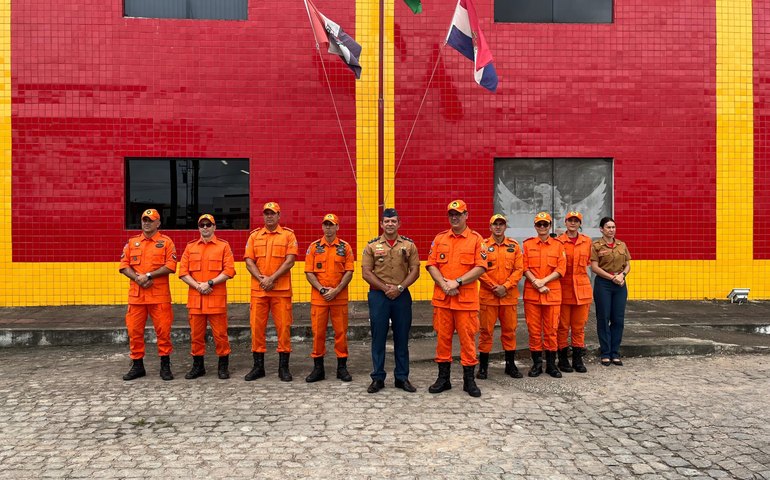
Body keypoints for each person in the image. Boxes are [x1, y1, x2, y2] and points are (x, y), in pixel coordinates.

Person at [425, 200, 487, 397]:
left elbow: (480, 267)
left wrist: (457, 282)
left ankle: (469, 381)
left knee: (468, 342)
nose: (454, 217)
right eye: (451, 214)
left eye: (458, 214)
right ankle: (443, 379)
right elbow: (431, 264)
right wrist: (444, 284)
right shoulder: (440, 238)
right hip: (443, 300)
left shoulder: (477, 240)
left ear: (466, 215)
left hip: (465, 302)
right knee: (442, 340)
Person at [361, 208, 420, 393]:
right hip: (379, 296)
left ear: (399, 224)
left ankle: (402, 377)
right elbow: (366, 272)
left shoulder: (409, 245)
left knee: (401, 337)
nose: (390, 224)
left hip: (402, 296)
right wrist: (385, 288)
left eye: (393, 221)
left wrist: (400, 288)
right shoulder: (371, 246)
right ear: (381, 224)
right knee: (378, 337)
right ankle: (377, 378)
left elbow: (415, 270)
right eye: (387, 221)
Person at [118, 208, 178, 381]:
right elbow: (123, 265)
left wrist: (149, 275)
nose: (146, 222)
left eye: (151, 220)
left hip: (159, 296)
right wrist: (138, 278)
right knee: (134, 331)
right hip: (137, 296)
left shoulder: (166, 242)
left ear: (158, 223)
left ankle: (165, 366)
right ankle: (137, 366)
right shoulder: (132, 242)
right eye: (144, 219)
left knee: (163, 332)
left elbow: (171, 266)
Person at [243, 202, 298, 382]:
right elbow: (249, 260)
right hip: (259, 290)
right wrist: (262, 279)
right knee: (257, 329)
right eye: (266, 213)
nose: (269, 216)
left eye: (272, 213)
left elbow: (290, 261)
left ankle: (284, 368)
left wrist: (271, 278)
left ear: (279, 216)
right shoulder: (254, 236)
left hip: (280, 291)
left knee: (283, 329)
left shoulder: (288, 235)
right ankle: (258, 367)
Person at [178, 214, 236, 380]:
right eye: (202, 225)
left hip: (215, 299)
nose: (205, 227)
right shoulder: (190, 248)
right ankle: (198, 367)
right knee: (196, 336)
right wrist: (198, 286)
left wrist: (209, 283)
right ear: (198, 228)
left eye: (208, 225)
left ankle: (223, 367)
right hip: (196, 300)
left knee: (221, 335)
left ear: (214, 227)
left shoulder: (223, 247)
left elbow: (229, 271)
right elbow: (183, 272)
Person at [303, 214, 355, 383]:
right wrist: (322, 289)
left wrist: (337, 290)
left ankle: (342, 368)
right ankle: (318, 368)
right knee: (318, 333)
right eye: (326, 225)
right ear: (322, 227)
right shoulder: (314, 247)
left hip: (339, 298)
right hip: (320, 298)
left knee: (341, 333)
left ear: (337, 227)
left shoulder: (345, 247)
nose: (328, 228)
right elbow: (309, 272)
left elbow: (349, 271)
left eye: (331, 225)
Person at [477, 214, 524, 379]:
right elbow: (478, 269)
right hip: (488, 297)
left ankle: (510, 366)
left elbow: (519, 269)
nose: (498, 227)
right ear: (490, 227)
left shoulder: (514, 246)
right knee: (485, 332)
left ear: (505, 227)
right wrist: (493, 287)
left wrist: (505, 286)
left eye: (501, 224)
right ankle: (483, 367)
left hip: (508, 296)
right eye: (495, 224)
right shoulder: (482, 246)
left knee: (510, 331)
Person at [522, 212, 566, 378]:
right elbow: (524, 267)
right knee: (533, 330)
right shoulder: (527, 245)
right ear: (535, 226)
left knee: (551, 330)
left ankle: (551, 365)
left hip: (552, 294)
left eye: (545, 224)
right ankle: (536, 365)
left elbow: (561, 269)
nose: (542, 227)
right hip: (533, 295)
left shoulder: (558, 245)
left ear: (549, 226)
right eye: (539, 224)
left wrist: (543, 282)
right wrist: (536, 283)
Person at [590, 216, 632, 366]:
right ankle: (605, 353)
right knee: (603, 318)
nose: (611, 230)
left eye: (613, 227)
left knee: (618, 319)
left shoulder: (622, 245)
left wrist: (622, 275)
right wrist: (611, 277)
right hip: (604, 285)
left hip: (620, 284)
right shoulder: (596, 245)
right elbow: (594, 267)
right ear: (601, 229)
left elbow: (628, 265)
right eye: (608, 227)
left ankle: (615, 352)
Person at [556, 211, 592, 373]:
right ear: (565, 222)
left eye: (576, 221)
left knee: (579, 327)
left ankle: (578, 359)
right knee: (562, 326)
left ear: (579, 224)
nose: (573, 223)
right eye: (570, 220)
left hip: (582, 290)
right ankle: (563, 359)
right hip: (563, 289)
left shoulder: (587, 242)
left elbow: (592, 262)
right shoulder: (558, 242)